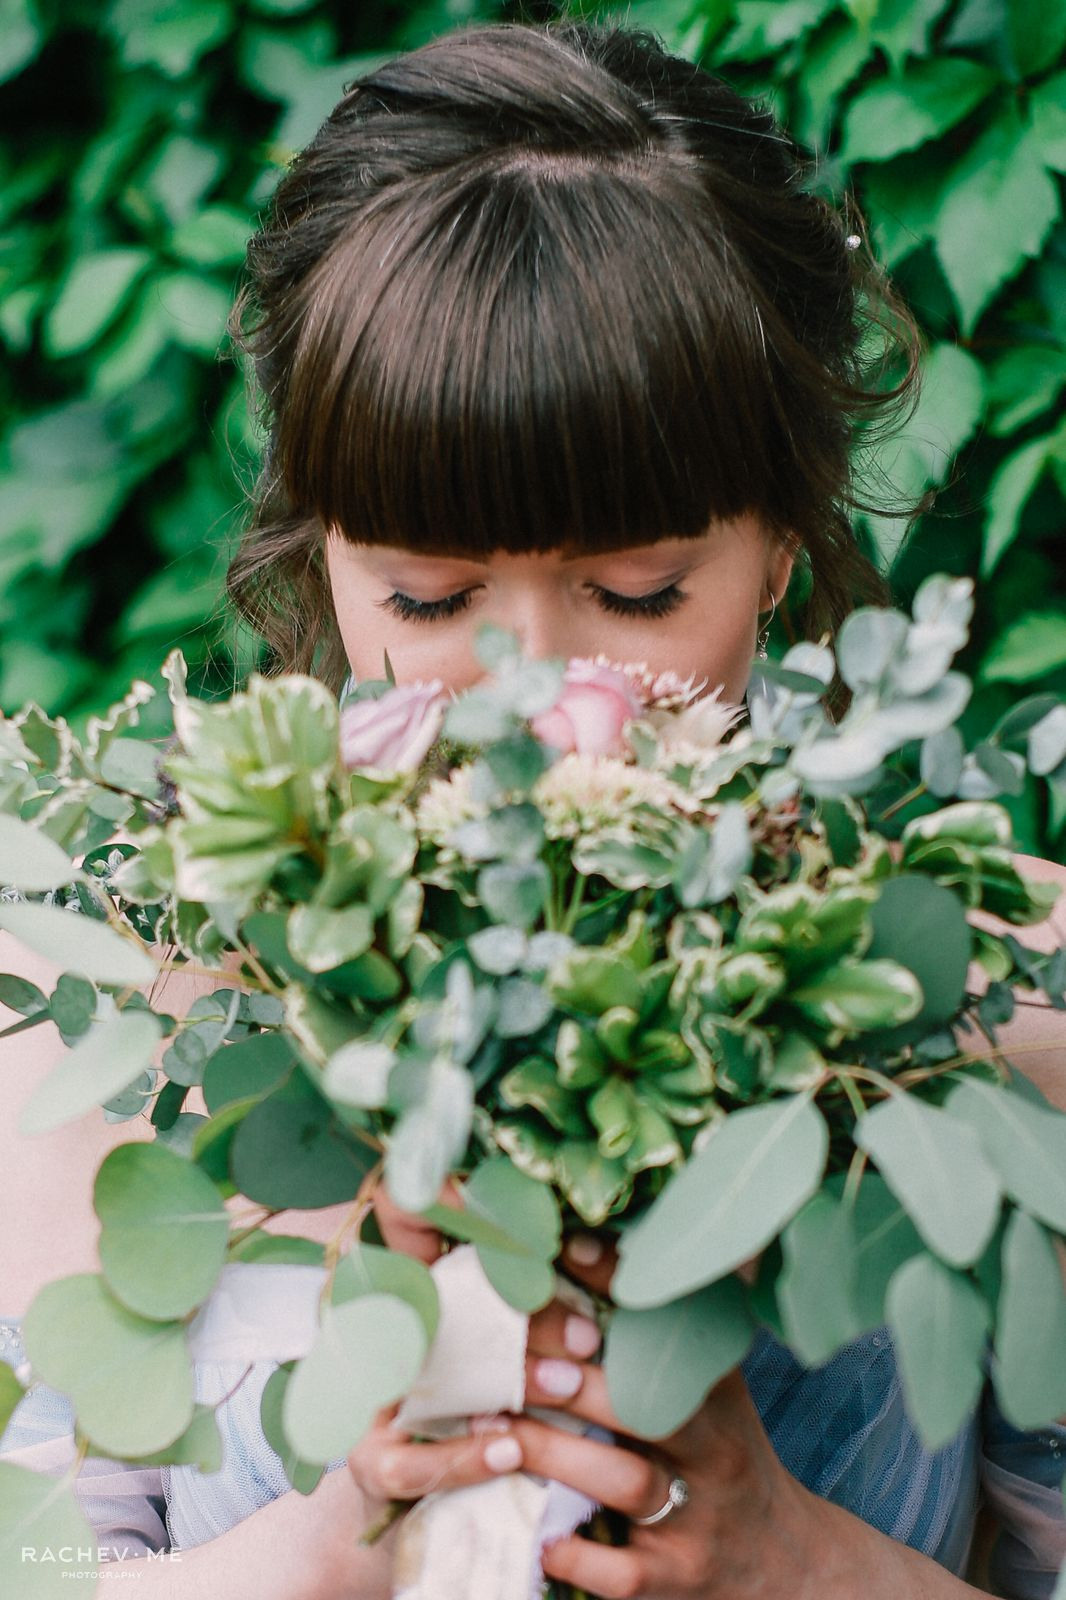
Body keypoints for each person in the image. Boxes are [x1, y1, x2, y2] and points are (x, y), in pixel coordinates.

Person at [3, 15, 1066, 1600]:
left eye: (636, 590)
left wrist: (796, 1566)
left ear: (778, 543)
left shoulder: (1001, 1004)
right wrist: (330, 1547)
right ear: (327, 562)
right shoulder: (106, 1025)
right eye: (428, 597)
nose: (529, 701)